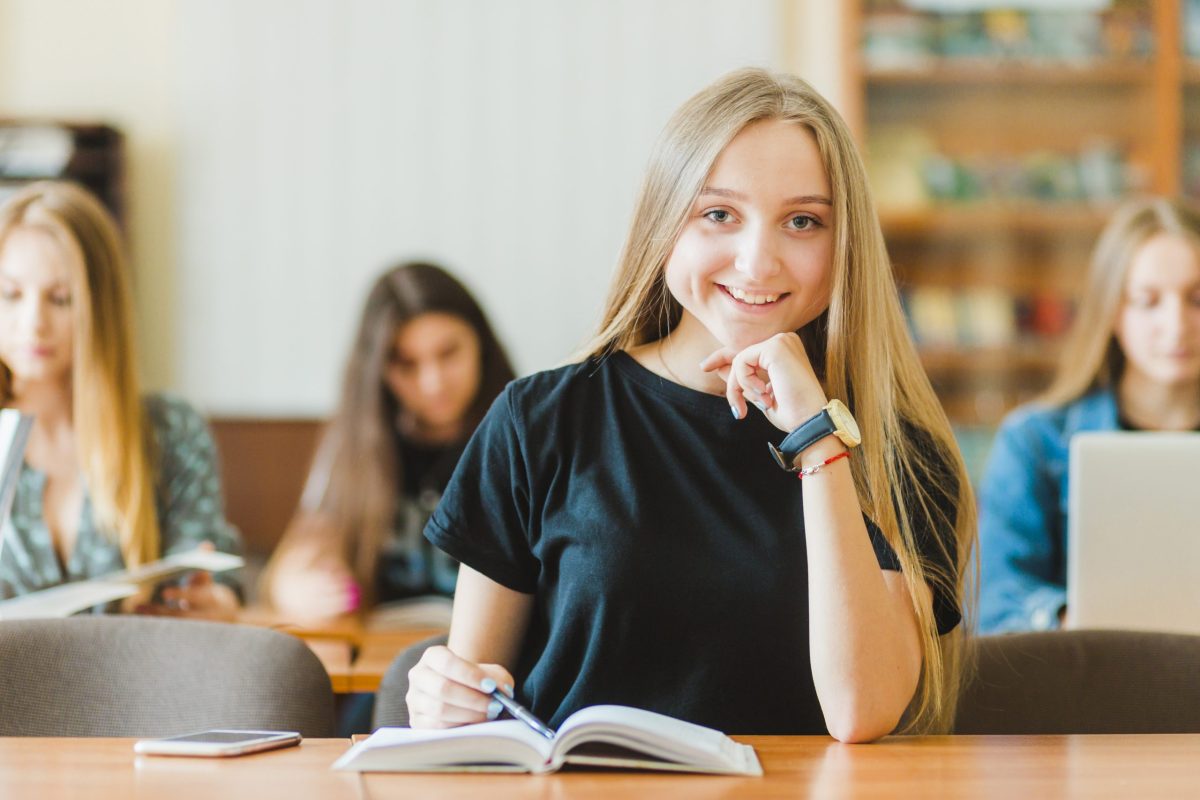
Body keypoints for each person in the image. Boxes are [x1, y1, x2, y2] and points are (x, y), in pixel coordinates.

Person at [405, 68, 976, 742]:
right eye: (719, 215)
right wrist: (446, 700)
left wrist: (816, 435)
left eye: (803, 221)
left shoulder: (902, 454)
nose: (757, 262)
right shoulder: (540, 420)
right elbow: (474, 712)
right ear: (664, 225)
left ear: (844, 243)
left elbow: (862, 710)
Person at [0, 180, 241, 618]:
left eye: (61, 298)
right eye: (10, 295)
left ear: (100, 307)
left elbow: (215, 584)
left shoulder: (171, 432)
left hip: (127, 684)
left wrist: (215, 605)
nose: (32, 323)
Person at [978, 197, 1200, 634]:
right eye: (1147, 301)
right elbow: (995, 605)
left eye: (1197, 298)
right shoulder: (1036, 442)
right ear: (1113, 311)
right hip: (1093, 685)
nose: (1176, 324)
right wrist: (1071, 620)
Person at [261, 262, 516, 621]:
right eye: (407, 364)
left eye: (448, 353)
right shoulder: (354, 446)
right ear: (379, 370)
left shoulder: (524, 438)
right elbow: (294, 561)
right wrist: (297, 586)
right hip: (383, 653)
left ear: (481, 346)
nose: (433, 383)